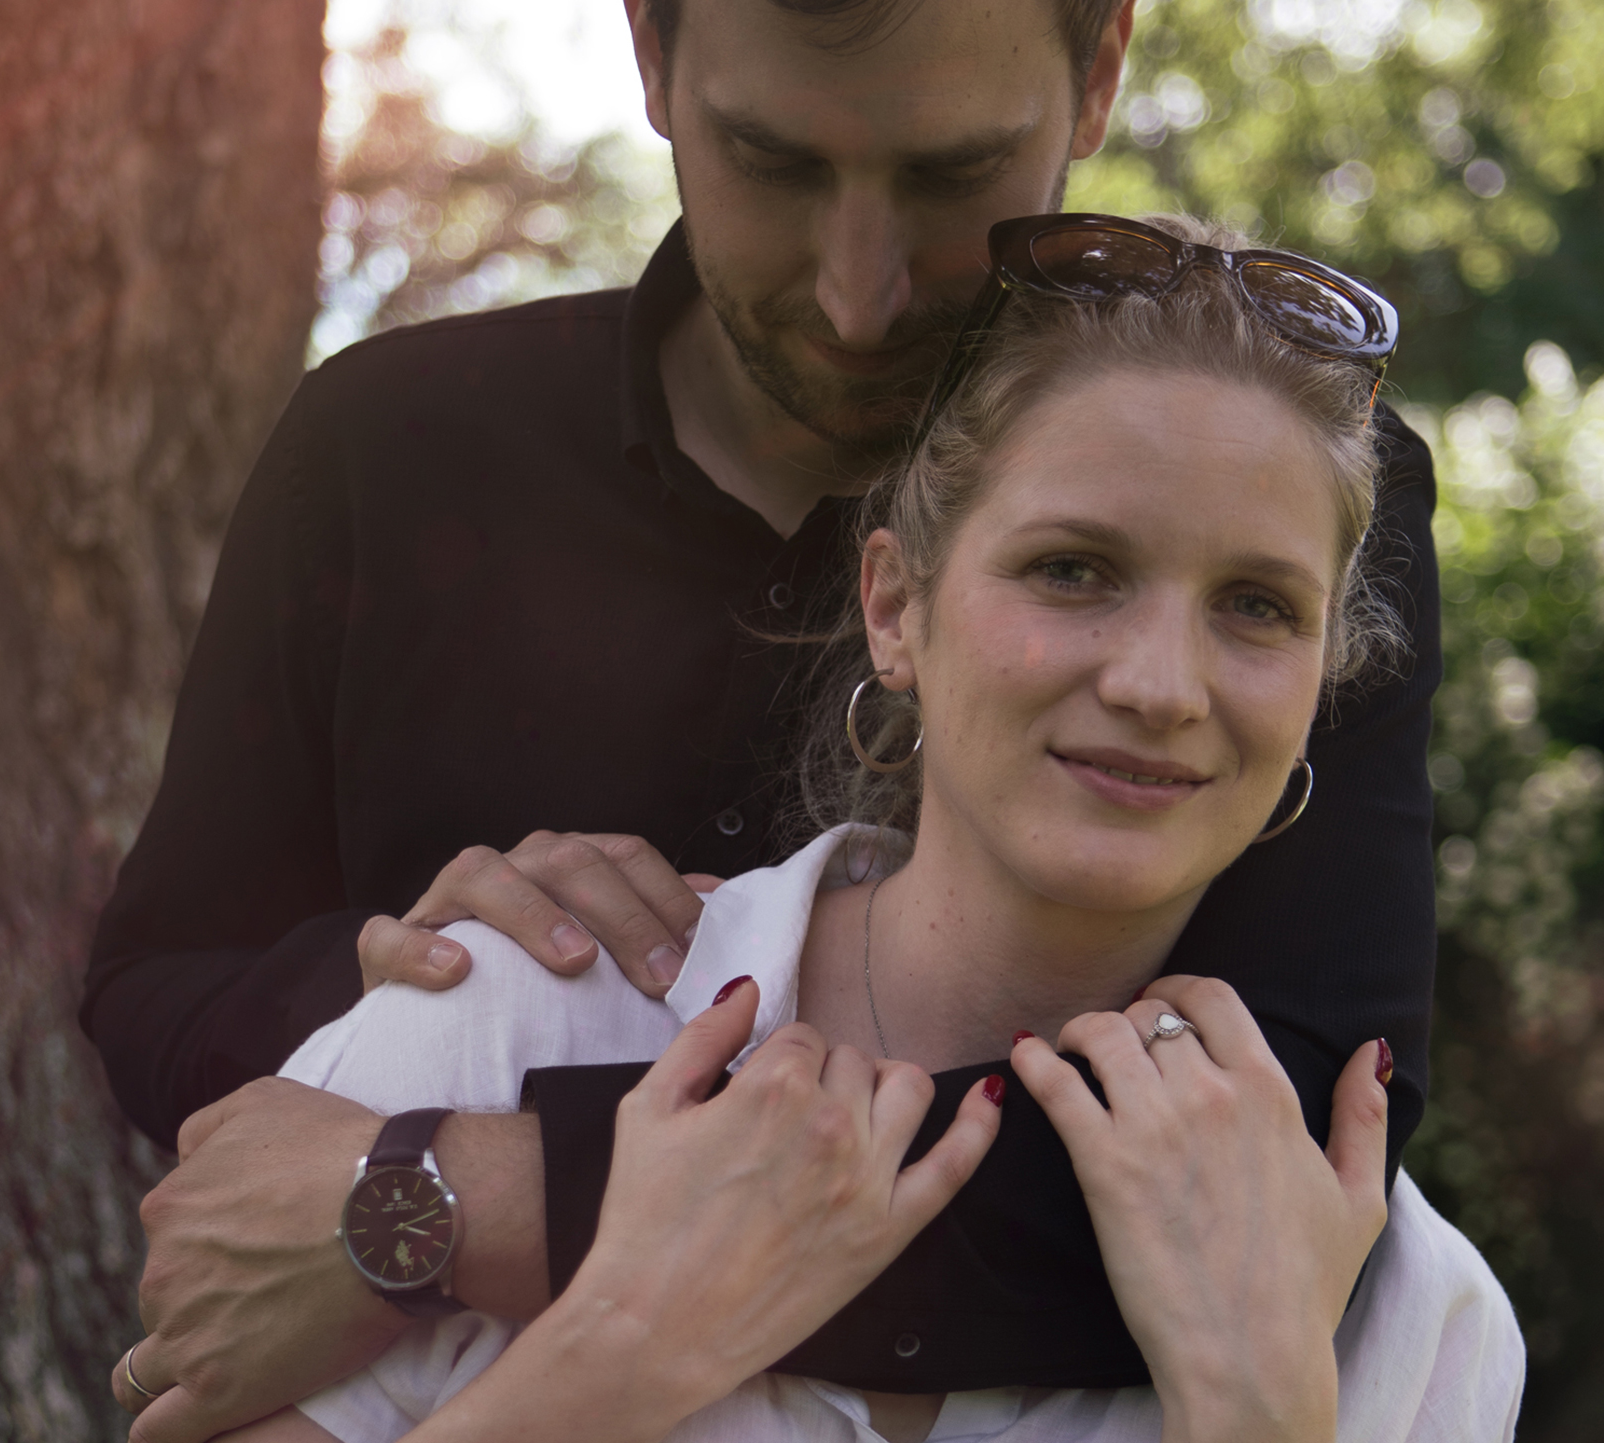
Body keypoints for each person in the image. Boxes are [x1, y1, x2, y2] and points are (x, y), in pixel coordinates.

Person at [97, 2, 1444, 1438]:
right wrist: (415, 1003)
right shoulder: (390, 449)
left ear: (1098, 73)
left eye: (949, 175)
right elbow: (160, 989)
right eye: (773, 163)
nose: (859, 293)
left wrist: (450, 1192)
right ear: (653, 59)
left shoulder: (1279, 476)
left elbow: (1285, 1151)